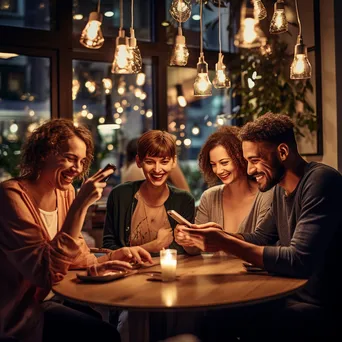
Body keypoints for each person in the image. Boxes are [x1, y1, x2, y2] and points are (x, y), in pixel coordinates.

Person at [179, 113, 342, 341]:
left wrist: (224, 242)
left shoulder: (321, 181)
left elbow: (299, 260)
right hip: (289, 295)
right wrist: (216, 235)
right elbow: (260, 237)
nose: (249, 170)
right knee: (211, 317)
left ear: (283, 152)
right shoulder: (277, 189)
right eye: (246, 161)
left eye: (255, 160)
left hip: (319, 305)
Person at [0, 119, 152, 342]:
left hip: (51, 299)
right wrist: (80, 205)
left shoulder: (65, 192)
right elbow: (45, 273)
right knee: (104, 335)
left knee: (108, 325)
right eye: (70, 158)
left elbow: (75, 253)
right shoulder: (11, 196)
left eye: (82, 161)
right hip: (18, 313)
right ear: (44, 153)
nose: (78, 169)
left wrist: (111, 257)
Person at [175, 126, 273, 255]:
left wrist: (220, 237)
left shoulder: (266, 194)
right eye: (213, 164)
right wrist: (187, 239)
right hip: (216, 272)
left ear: (241, 158)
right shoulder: (209, 196)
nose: (219, 170)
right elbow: (194, 250)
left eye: (224, 163)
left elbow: (262, 244)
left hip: (253, 273)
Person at [103, 130, 195, 256]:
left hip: (172, 274)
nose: (157, 169)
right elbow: (108, 248)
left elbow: (187, 252)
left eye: (164, 162)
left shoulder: (184, 200)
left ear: (174, 162)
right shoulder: (120, 195)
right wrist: (153, 246)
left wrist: (191, 241)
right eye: (150, 161)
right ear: (138, 161)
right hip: (127, 273)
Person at [120, 136, 191, 192]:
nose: (157, 169)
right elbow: (185, 189)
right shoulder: (135, 168)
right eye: (149, 161)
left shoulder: (126, 170)